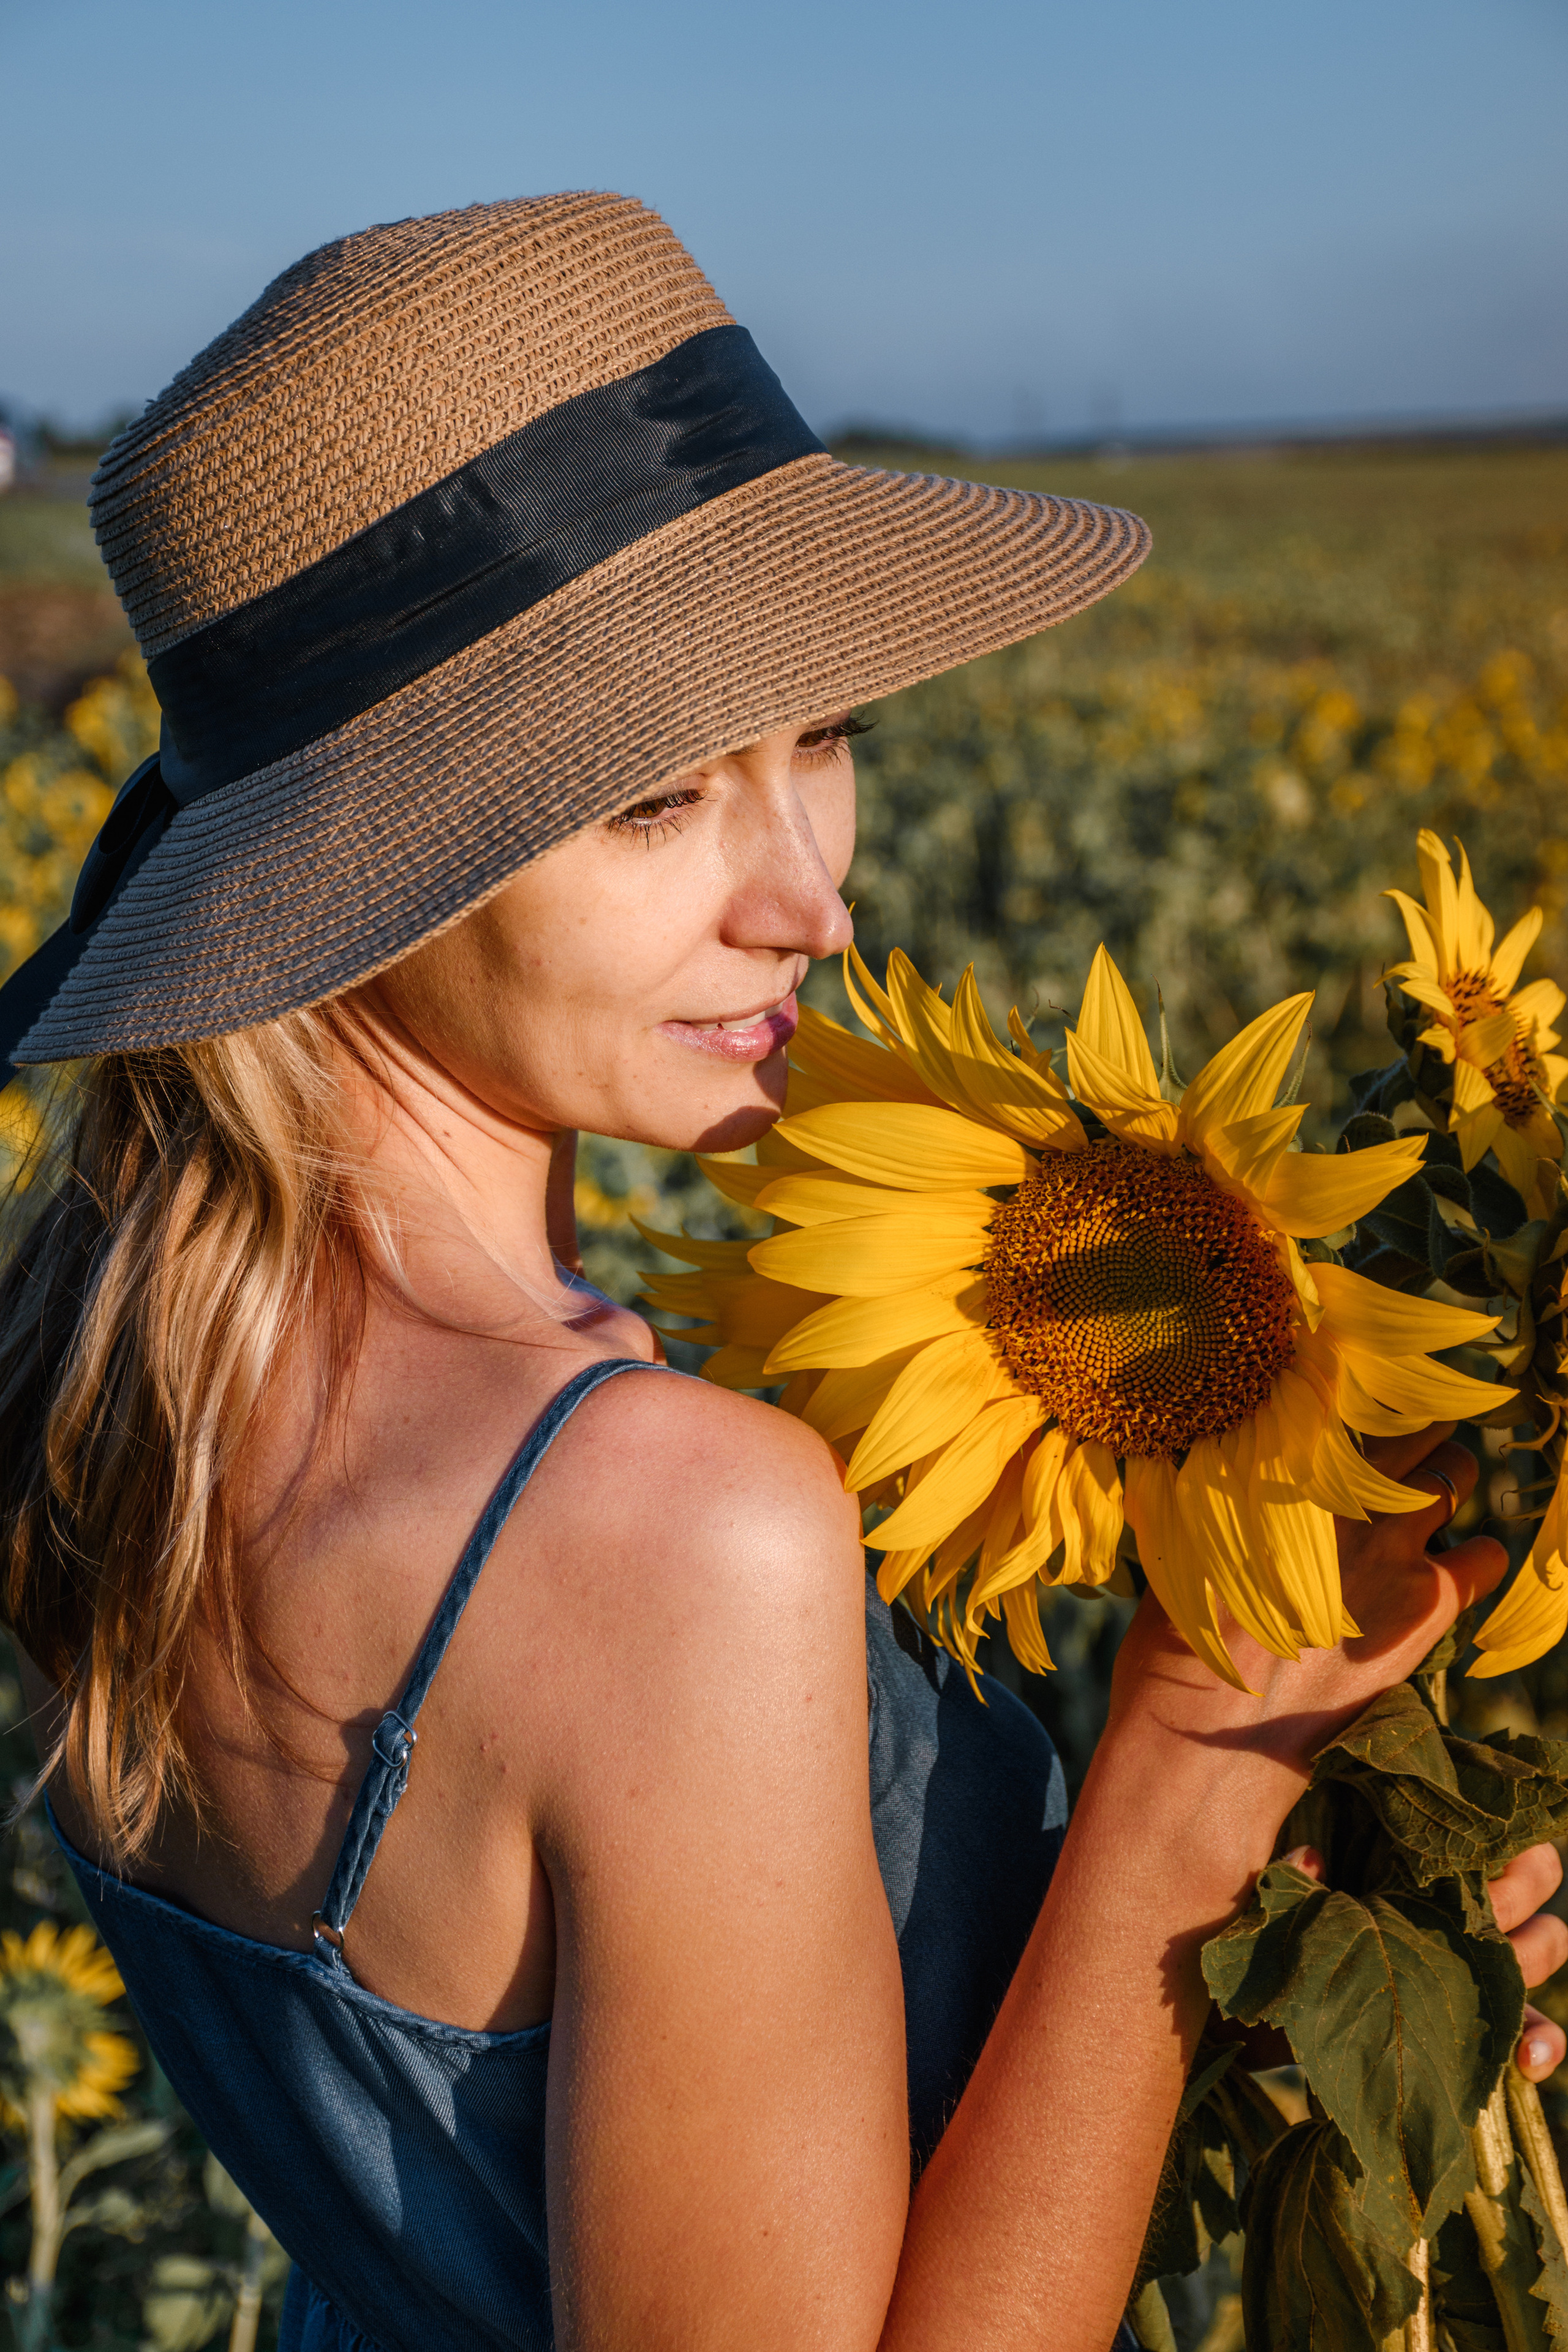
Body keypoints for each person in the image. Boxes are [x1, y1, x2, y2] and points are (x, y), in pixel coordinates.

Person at [0, 193, 1561, 2352]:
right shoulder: (661, 1526)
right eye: (655, 802)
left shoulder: (116, 1384)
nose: (810, 901)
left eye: (822, 742)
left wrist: (1266, 1982)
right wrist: (1190, 1785)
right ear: (358, 873)